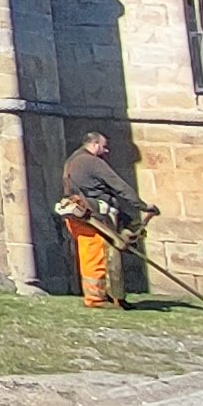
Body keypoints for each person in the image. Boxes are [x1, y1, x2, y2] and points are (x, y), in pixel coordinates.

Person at [57, 131, 148, 309]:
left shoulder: (73, 161)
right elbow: (118, 185)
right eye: (104, 147)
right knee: (97, 257)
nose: (106, 151)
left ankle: (114, 297)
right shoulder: (91, 162)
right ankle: (96, 299)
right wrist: (141, 205)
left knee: (104, 256)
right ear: (95, 144)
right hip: (93, 218)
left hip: (83, 215)